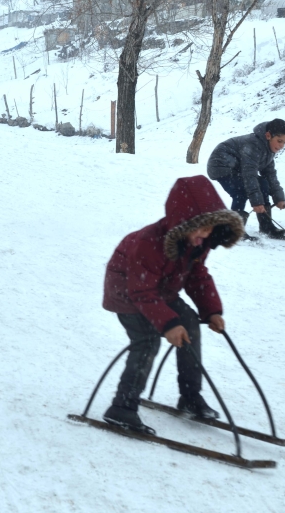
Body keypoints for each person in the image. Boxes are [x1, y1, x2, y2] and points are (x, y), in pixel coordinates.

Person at [101, 176, 245, 435]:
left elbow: (197, 275)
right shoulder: (149, 243)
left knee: (189, 324)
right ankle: (122, 407)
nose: (205, 235)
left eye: (210, 229)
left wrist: (211, 310)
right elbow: (141, 291)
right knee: (147, 342)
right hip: (127, 294)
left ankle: (190, 396)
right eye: (200, 228)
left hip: (160, 292)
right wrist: (167, 324)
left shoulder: (196, 242)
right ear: (182, 223)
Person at [207, 119, 285, 239]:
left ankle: (266, 226)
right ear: (268, 135)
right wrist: (256, 202)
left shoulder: (268, 150)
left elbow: (270, 175)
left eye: (284, 142)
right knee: (240, 191)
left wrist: (279, 198)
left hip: (237, 168)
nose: (282, 146)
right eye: (279, 141)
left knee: (263, 184)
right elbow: (249, 174)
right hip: (221, 165)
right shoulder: (253, 145)